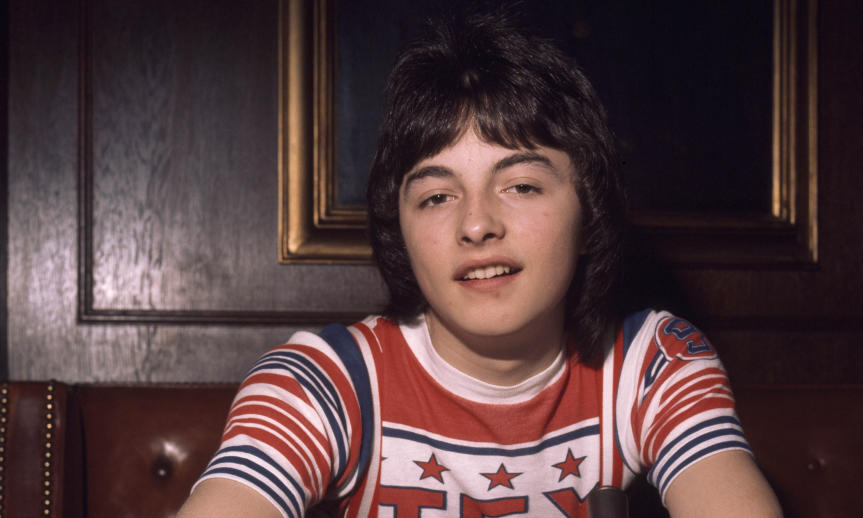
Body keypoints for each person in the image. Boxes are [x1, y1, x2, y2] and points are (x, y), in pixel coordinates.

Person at [177, 8, 782, 518]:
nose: (476, 224)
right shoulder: (326, 381)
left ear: (588, 208)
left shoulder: (652, 362)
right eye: (437, 197)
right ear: (402, 231)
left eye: (520, 185)